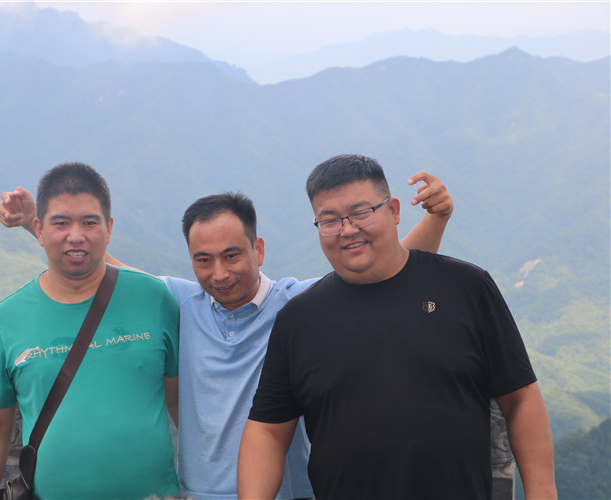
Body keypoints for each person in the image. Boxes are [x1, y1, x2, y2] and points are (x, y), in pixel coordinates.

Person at [0, 171, 453, 499]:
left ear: (259, 249)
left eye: (232, 256)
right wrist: (36, 222)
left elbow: (381, 269)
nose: (219, 273)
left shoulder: (297, 304)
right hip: (199, 492)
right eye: (203, 260)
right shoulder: (179, 303)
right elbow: (105, 267)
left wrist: (436, 218)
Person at [237, 154, 557, 500]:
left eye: (361, 212)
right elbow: (268, 430)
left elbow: (520, 397)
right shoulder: (299, 319)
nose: (347, 229)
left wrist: (542, 492)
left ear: (393, 211)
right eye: (329, 220)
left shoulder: (466, 287)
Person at [0, 163, 180, 499]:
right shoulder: (7, 319)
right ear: (38, 229)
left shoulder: (154, 299)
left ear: (109, 229)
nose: (76, 235)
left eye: (90, 222)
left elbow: (181, 403)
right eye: (61, 223)